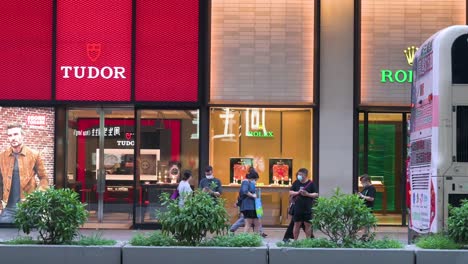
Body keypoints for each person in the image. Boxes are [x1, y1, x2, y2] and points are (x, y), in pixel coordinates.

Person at [0, 124, 49, 223]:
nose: (13, 138)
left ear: (22, 136)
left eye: (16, 134)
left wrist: (35, 196)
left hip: (28, 208)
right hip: (8, 209)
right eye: (10, 135)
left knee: (28, 236)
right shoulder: (2, 156)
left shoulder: (34, 155)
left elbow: (44, 179)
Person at [289, 168, 318, 240]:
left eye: (301, 174)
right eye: (298, 174)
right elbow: (290, 192)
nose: (299, 176)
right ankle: (295, 241)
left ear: (305, 175)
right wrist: (298, 192)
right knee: (296, 224)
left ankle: (308, 241)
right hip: (297, 207)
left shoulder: (311, 183)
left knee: (308, 224)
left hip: (307, 207)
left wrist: (307, 194)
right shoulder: (296, 182)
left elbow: (316, 194)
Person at [358, 174, 376, 239]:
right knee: (365, 223)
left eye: (363, 182)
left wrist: (362, 196)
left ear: (367, 181)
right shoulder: (365, 188)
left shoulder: (372, 188)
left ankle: (367, 236)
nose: (362, 183)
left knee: (367, 223)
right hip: (363, 208)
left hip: (368, 208)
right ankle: (365, 236)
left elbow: (371, 198)